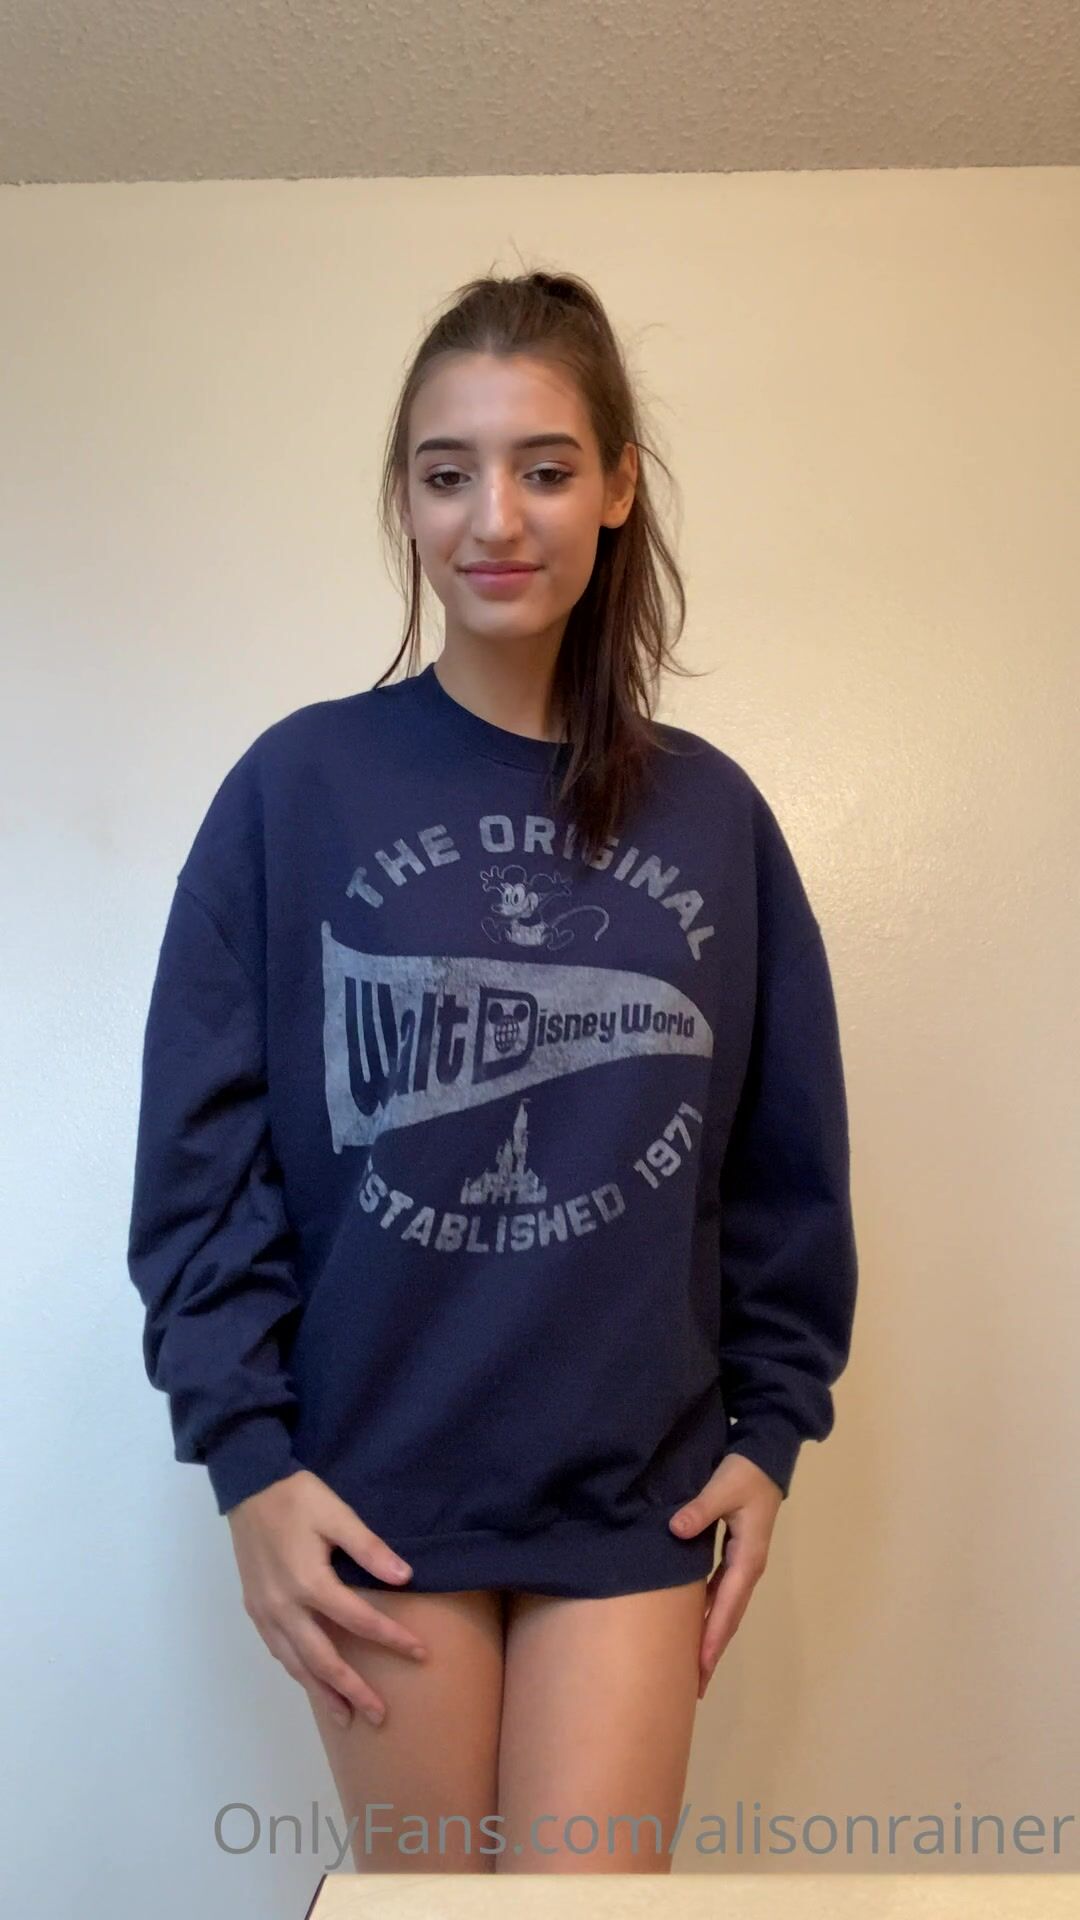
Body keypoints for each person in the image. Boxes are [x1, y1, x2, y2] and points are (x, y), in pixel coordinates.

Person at [126, 266, 858, 1875]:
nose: (495, 519)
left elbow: (783, 1160)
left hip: (634, 1490)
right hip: (375, 1488)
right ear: (404, 498)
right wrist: (248, 1463)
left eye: (544, 467)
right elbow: (199, 1161)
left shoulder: (714, 817)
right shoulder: (297, 787)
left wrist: (773, 1430)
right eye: (447, 472)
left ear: (617, 488)